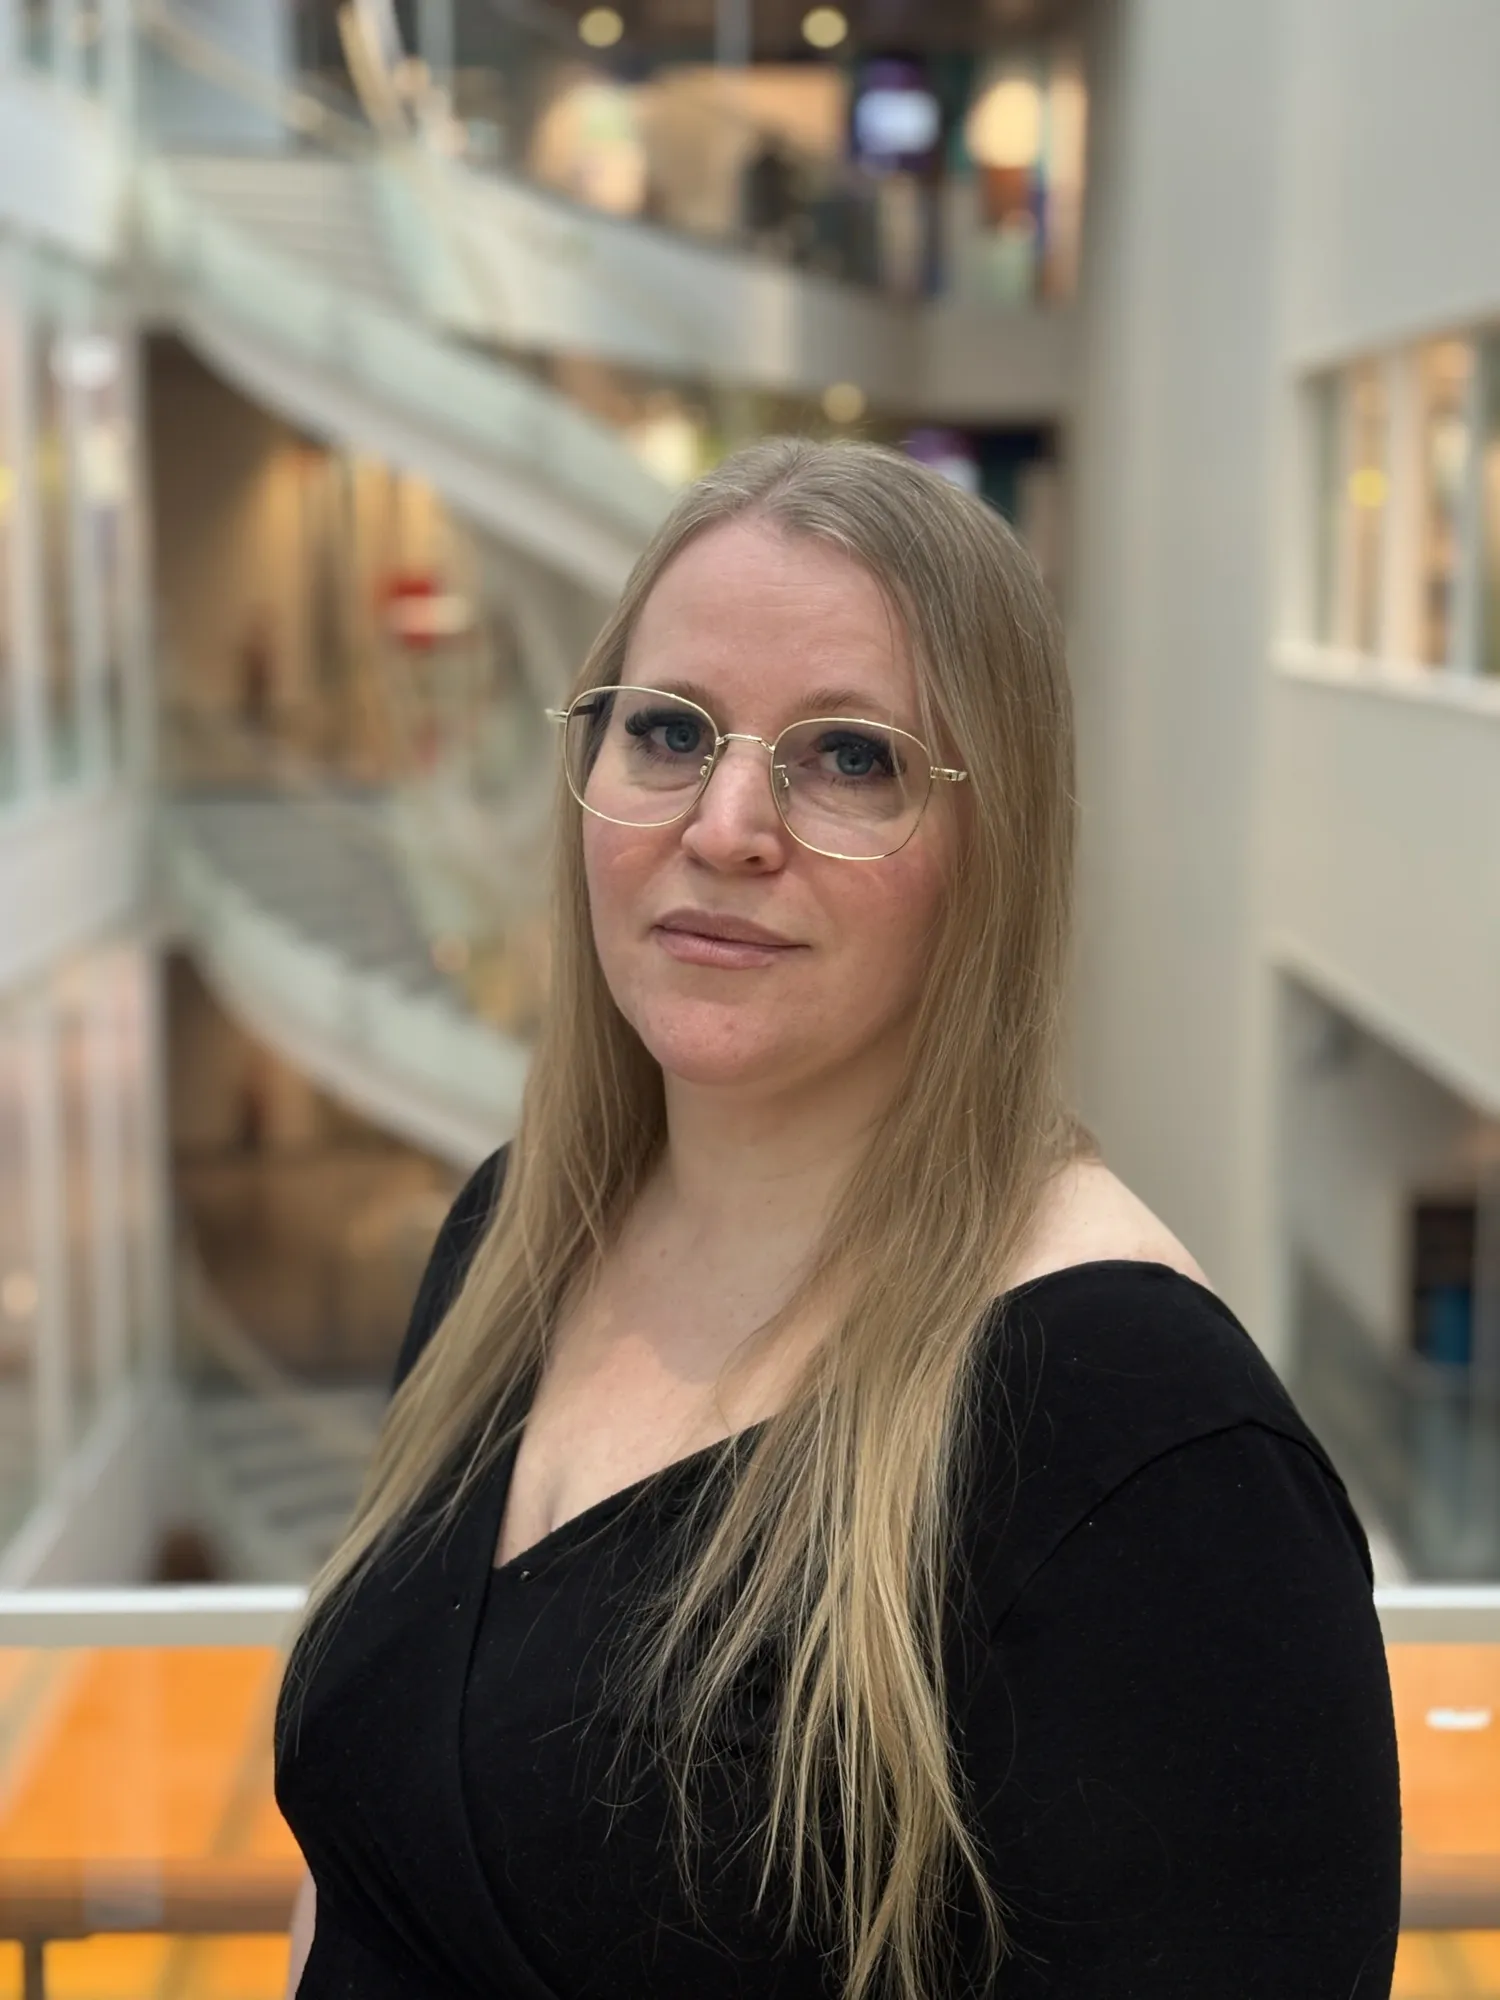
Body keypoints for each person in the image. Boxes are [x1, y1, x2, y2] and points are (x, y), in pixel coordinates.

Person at [275, 438, 1401, 1999]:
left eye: (850, 757)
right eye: (668, 730)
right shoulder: (514, 1244)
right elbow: (366, 1869)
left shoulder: (1145, 1449)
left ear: (988, 848)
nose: (727, 823)